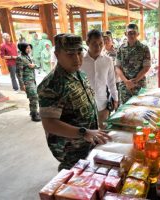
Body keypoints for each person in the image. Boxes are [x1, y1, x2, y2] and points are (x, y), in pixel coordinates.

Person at [37, 34, 111, 171]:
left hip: (88, 142)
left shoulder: (79, 73)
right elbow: (49, 124)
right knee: (73, 183)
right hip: (71, 150)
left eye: (79, 52)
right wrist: (84, 132)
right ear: (57, 55)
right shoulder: (52, 84)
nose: (77, 58)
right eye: (70, 54)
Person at [81, 30, 119, 129]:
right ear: (87, 43)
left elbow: (111, 81)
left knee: (103, 131)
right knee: (88, 132)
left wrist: (115, 98)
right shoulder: (80, 60)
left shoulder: (108, 60)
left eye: (100, 43)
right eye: (94, 44)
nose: (98, 47)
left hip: (103, 103)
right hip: (84, 105)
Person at [116, 23, 151, 104]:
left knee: (139, 111)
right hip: (125, 87)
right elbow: (117, 67)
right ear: (125, 34)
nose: (131, 35)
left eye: (134, 33)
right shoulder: (120, 49)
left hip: (139, 86)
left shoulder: (144, 48)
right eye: (129, 33)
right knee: (125, 112)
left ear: (138, 34)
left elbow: (146, 67)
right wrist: (126, 82)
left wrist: (134, 82)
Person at [16, 43, 41, 122]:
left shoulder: (29, 56)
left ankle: (33, 111)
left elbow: (35, 65)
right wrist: (21, 84)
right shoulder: (20, 58)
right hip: (27, 81)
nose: (29, 49)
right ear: (22, 48)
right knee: (34, 97)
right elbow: (19, 73)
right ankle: (34, 115)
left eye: (30, 48)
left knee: (33, 97)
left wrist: (34, 66)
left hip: (33, 80)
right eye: (27, 48)